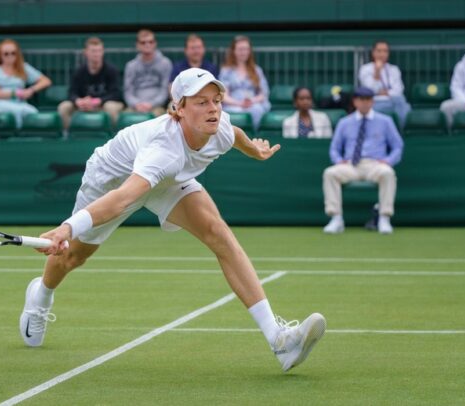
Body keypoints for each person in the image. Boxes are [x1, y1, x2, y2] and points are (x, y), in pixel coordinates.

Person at [19, 68, 326, 372]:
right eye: (201, 102)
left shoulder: (218, 126)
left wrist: (255, 151)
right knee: (72, 257)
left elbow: (235, 136)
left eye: (216, 100)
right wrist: (67, 228)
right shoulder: (163, 150)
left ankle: (280, 341)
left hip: (168, 181)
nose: (213, 108)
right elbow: (124, 198)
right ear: (178, 108)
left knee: (219, 235)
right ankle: (40, 296)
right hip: (113, 181)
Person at [322, 87, 404, 235]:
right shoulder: (344, 122)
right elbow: (334, 148)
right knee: (330, 173)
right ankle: (336, 218)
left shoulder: (385, 121)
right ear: (355, 101)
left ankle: (384, 218)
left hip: (375, 165)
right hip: (351, 165)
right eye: (361, 99)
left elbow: (398, 146)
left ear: (372, 101)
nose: (365, 103)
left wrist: (388, 160)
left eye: (368, 99)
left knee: (388, 173)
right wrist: (338, 160)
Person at [0, 39, 52, 128]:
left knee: (32, 112)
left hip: (19, 104)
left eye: (13, 53)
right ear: (0, 55)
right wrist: (17, 93)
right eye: (6, 54)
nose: (10, 56)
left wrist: (31, 90)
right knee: (18, 111)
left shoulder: (23, 67)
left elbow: (46, 81)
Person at [58, 36, 124, 128]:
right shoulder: (79, 71)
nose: (96, 54)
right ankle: (68, 135)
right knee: (64, 106)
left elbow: (116, 93)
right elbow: (71, 92)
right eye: (93, 51)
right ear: (86, 52)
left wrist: (98, 101)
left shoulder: (111, 70)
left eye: (99, 51)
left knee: (111, 107)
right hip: (84, 105)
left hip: (103, 104)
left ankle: (112, 137)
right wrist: (78, 101)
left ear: (103, 52)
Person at [219, 35, 271, 130]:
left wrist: (251, 101)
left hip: (253, 104)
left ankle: (253, 137)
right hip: (233, 105)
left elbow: (263, 93)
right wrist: (239, 103)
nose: (243, 52)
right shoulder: (226, 71)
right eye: (240, 49)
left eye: (246, 49)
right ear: (234, 51)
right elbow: (224, 96)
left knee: (257, 110)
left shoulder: (256, 70)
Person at [358, 40, 411, 129]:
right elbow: (370, 90)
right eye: (379, 51)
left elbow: (399, 90)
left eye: (385, 51)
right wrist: (377, 73)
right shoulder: (365, 69)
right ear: (373, 53)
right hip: (375, 102)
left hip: (393, 101)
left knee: (403, 103)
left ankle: (401, 131)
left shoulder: (394, 69)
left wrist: (384, 92)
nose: (382, 54)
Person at [123, 29, 172, 116]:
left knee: (158, 118)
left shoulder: (165, 63)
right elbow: (128, 91)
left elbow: (164, 90)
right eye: (143, 42)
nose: (147, 45)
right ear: (137, 45)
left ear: (155, 44)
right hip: (135, 106)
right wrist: (136, 104)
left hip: (157, 107)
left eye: (150, 42)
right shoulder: (131, 66)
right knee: (124, 117)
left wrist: (151, 104)